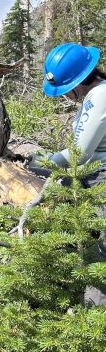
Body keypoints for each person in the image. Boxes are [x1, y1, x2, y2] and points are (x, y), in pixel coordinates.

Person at [28, 42, 106, 305]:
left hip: (102, 181)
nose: (62, 96)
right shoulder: (96, 95)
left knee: (101, 261)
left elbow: (80, 155)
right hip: (96, 177)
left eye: (63, 90)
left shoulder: (100, 97)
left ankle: (94, 323)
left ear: (75, 83)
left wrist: (44, 162)